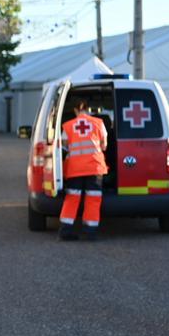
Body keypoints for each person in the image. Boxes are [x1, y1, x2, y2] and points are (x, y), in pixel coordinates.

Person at [58, 98, 108, 242]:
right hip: (94, 167)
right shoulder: (99, 123)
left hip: (75, 169)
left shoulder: (67, 126)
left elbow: (64, 147)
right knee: (93, 198)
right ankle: (90, 232)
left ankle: (65, 231)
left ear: (75, 110)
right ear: (89, 109)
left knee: (72, 198)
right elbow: (104, 146)